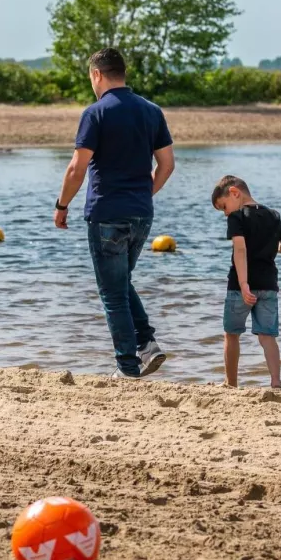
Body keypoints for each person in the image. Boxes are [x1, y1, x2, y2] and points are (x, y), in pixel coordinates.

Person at [54, 48, 175, 378]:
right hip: (142, 214)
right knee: (120, 284)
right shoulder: (152, 111)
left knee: (112, 293)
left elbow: (76, 168)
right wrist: (144, 194)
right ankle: (148, 344)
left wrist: (62, 205)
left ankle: (127, 366)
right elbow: (167, 165)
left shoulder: (95, 113)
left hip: (106, 212)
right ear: (123, 72)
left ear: (97, 75)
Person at [211, 175, 281, 388]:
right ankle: (275, 381)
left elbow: (240, 249)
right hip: (268, 284)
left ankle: (231, 383)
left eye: (224, 207)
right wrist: (275, 249)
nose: (226, 213)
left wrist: (244, 282)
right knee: (267, 336)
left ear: (234, 193)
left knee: (232, 334)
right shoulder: (273, 215)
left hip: (240, 286)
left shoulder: (237, 218)